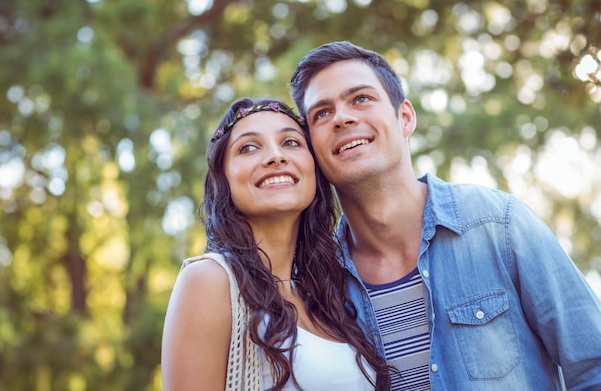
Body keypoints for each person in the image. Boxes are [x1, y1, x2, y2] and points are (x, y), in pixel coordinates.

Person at [289, 41, 601, 391]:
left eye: (361, 98)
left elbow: (594, 369)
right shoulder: (315, 285)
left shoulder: (499, 225)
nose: (343, 118)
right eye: (322, 113)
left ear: (405, 117)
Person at [161, 97, 391, 391]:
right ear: (225, 180)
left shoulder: (327, 298)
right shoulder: (209, 280)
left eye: (291, 143)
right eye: (248, 148)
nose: (275, 156)